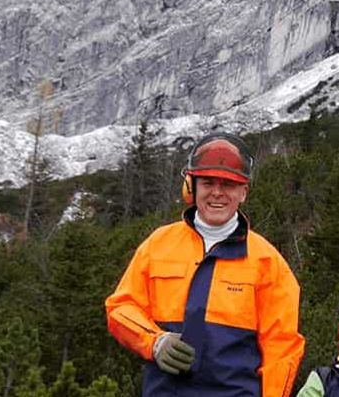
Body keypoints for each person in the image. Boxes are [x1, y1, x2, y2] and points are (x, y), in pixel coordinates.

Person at [106, 133, 306, 397]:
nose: (217, 193)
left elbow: (282, 350)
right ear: (192, 187)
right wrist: (155, 342)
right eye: (208, 183)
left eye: (228, 184)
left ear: (243, 192)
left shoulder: (268, 263)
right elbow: (121, 308)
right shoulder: (158, 245)